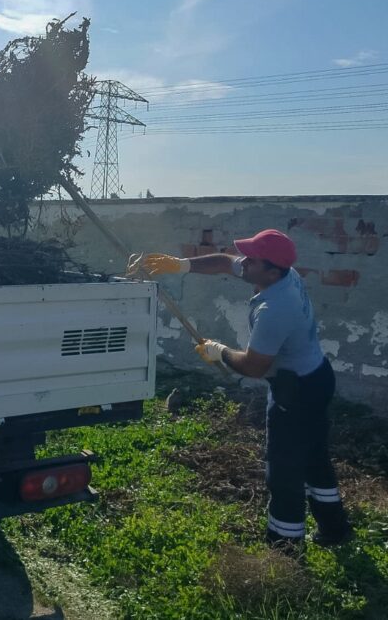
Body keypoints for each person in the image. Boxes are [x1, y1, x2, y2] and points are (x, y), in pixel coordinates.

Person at [129, 229, 352, 550]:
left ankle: (284, 550)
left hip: (297, 391)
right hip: (315, 375)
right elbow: (223, 262)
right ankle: (335, 529)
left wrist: (220, 351)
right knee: (314, 456)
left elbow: (253, 367)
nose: (243, 263)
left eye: (251, 259)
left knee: (284, 470)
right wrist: (181, 265)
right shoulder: (276, 273)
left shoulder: (276, 310)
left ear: (271, 270)